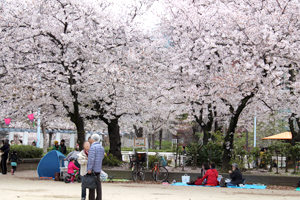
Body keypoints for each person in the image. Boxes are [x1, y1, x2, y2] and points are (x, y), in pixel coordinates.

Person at [87, 134, 105, 200]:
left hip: (93, 169)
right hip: (98, 168)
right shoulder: (101, 147)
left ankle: (91, 198)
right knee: (98, 184)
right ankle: (99, 198)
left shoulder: (93, 147)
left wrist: (89, 168)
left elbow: (91, 159)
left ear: (92, 139)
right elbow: (102, 157)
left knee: (91, 185)